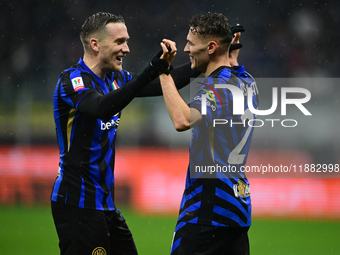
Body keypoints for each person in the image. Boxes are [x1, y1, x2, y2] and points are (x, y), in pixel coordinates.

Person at [50, 12, 200, 255]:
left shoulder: (116, 78)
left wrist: (203, 62)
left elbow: (161, 83)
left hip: (105, 205)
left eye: (127, 41)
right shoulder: (72, 80)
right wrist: (150, 70)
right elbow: (101, 107)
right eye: (120, 42)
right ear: (95, 44)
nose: (127, 49)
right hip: (77, 204)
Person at [158, 13, 259, 255]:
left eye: (191, 43)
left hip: (207, 212)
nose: (186, 49)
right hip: (236, 211)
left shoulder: (218, 87)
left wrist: (162, 72)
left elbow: (183, 120)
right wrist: (229, 56)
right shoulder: (247, 81)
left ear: (212, 47)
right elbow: (232, 68)